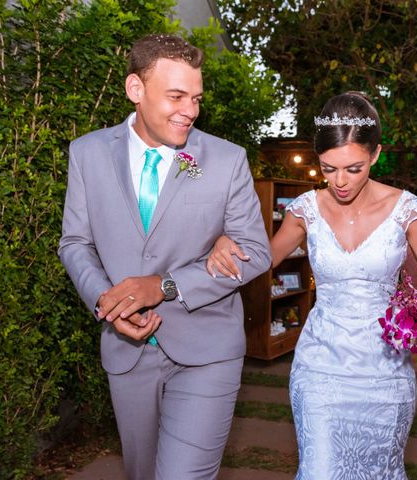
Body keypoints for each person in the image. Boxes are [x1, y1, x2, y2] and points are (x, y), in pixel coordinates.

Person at [207, 92, 417, 478]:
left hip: (385, 373)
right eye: (328, 169)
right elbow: (258, 259)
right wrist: (225, 242)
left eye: (353, 168)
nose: (340, 182)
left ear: (375, 155)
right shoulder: (304, 209)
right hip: (319, 369)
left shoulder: (408, 210)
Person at [58, 34, 271, 480]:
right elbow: (75, 243)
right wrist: (107, 302)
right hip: (126, 350)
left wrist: (165, 285)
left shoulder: (226, 159)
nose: (190, 111)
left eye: (195, 98)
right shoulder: (87, 153)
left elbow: (253, 252)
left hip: (208, 350)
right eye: (176, 96)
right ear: (136, 89)